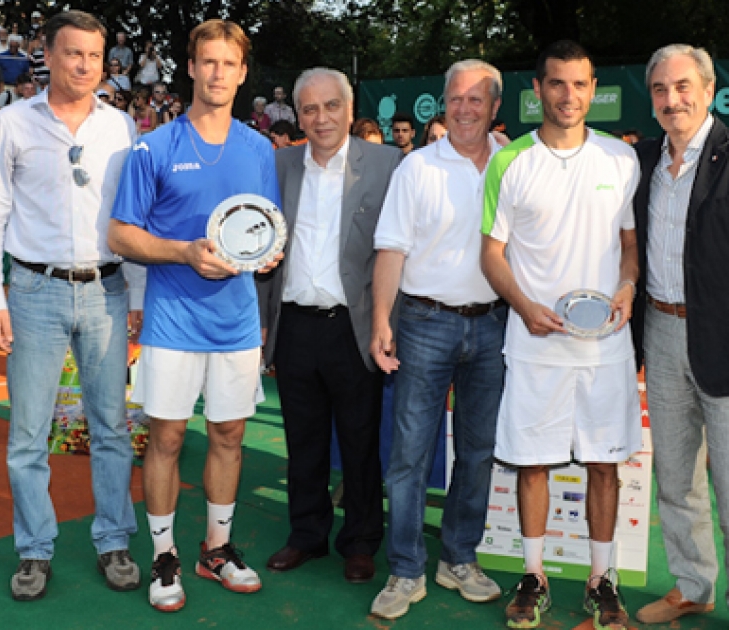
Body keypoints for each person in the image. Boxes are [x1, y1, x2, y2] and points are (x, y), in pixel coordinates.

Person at [0, 10, 145, 603]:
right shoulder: (12, 123)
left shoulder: (122, 128)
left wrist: (139, 295)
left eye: (95, 56)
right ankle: (34, 550)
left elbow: (135, 217)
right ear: (47, 55)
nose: (86, 66)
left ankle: (114, 539)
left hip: (107, 291)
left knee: (112, 430)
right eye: (74, 54)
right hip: (34, 292)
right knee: (27, 436)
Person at [107, 18, 280, 613]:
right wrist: (183, 252)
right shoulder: (153, 147)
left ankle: (216, 548)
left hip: (235, 324)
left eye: (228, 64)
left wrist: (266, 254)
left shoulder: (260, 149)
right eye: (207, 62)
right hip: (173, 321)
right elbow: (121, 235)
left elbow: (264, 228)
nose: (217, 73)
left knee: (230, 436)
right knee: (168, 438)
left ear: (241, 72)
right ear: (190, 67)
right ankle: (164, 556)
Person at [479, 40, 641, 630]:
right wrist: (522, 305)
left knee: (604, 464)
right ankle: (534, 574)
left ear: (593, 89)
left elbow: (629, 244)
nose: (568, 96)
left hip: (606, 347)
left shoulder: (621, 161)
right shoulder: (509, 162)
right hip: (534, 342)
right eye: (556, 84)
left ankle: (602, 580)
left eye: (579, 84)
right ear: (537, 89)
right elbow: (491, 254)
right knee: (533, 463)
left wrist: (626, 286)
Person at [630, 44, 729, 630]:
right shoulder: (642, 161)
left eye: (683, 86)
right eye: (661, 91)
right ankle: (692, 584)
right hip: (662, 335)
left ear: (709, 89)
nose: (673, 100)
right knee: (675, 477)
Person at [369, 59, 506, 620]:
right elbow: (391, 249)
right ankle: (405, 568)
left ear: (496, 106)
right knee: (409, 454)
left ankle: (459, 556)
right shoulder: (417, 168)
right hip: (423, 324)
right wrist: (381, 319)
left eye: (477, 100)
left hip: (496, 325)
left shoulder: (516, 164)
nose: (465, 109)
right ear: (443, 104)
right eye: (456, 99)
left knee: (477, 453)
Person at [261, 67, 400, 585]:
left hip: (355, 328)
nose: (321, 118)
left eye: (331, 106)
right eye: (310, 109)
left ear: (349, 107)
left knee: (361, 440)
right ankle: (307, 535)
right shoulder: (277, 165)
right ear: (298, 116)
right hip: (293, 324)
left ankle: (361, 541)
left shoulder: (388, 165)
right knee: (304, 439)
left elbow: (398, 251)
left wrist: (388, 324)